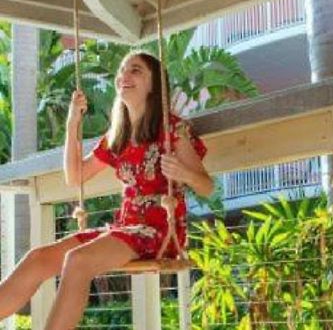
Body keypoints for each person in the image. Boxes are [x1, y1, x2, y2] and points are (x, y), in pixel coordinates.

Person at [0, 51, 213, 330]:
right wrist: (72, 123)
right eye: (121, 70)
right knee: (38, 258)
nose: (124, 76)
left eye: (135, 70)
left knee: (77, 260)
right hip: (123, 230)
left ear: (154, 86)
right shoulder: (118, 136)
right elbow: (75, 176)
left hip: (158, 231)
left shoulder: (172, 129)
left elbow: (206, 185)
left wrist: (182, 173)